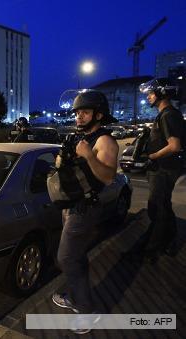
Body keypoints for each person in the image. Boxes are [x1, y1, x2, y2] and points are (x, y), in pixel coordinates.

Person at [51, 90, 119, 334]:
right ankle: (76, 295)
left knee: (66, 258)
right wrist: (64, 156)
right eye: (78, 112)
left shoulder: (105, 141)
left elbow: (108, 177)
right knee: (76, 255)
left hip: (86, 208)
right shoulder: (81, 138)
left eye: (85, 112)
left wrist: (89, 155)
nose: (79, 117)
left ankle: (86, 310)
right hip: (71, 204)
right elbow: (63, 169)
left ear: (99, 115)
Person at [134, 77, 184, 262]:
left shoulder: (168, 115)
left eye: (150, 93)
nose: (148, 97)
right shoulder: (166, 114)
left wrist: (153, 156)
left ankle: (152, 249)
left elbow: (175, 146)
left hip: (164, 169)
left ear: (161, 93)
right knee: (163, 206)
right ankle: (170, 241)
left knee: (157, 208)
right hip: (163, 169)